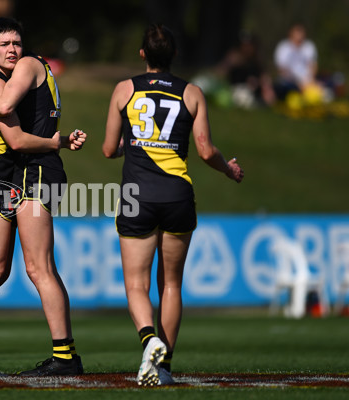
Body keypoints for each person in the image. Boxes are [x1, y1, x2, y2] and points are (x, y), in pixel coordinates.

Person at [102, 24, 244, 386]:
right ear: (175, 56)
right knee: (172, 285)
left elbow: (107, 149)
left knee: (136, 284)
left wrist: (132, 145)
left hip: (138, 195)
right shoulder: (192, 92)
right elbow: (205, 150)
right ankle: (163, 368)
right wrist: (227, 169)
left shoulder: (125, 89)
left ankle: (148, 339)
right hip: (177, 195)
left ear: (142, 54)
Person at [0, 18, 85, 378]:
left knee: (3, 270)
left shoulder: (3, 79)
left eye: (17, 43)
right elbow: (17, 139)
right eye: (4, 43)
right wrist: (58, 141)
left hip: (5, 181)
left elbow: (9, 119)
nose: (12, 49)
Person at [273, 23, 319, 101]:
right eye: (297, 33)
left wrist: (310, 80)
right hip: (289, 81)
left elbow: (313, 65)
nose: (299, 36)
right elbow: (281, 69)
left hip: (307, 82)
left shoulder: (309, 46)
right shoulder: (283, 47)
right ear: (291, 34)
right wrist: (297, 83)